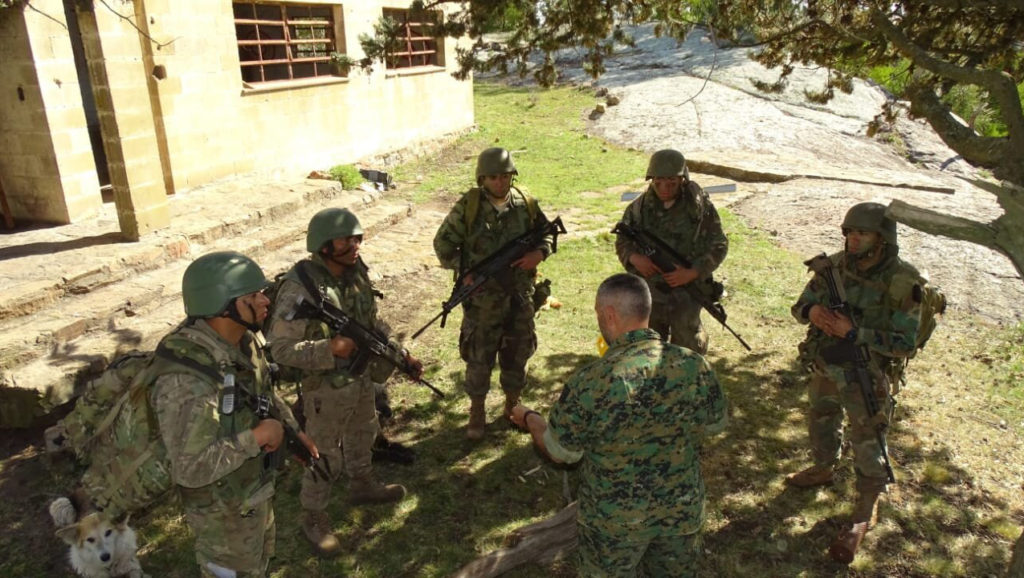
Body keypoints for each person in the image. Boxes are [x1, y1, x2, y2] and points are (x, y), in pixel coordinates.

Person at [510, 273, 728, 577]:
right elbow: (714, 425)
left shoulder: (590, 382)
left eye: (599, 315)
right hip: (681, 515)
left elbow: (560, 452)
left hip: (612, 526)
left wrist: (530, 418)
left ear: (609, 315)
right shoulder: (695, 365)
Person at [151, 251, 316, 578]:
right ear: (222, 305)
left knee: (258, 565)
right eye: (253, 296)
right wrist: (256, 438)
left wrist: (293, 431)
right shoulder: (186, 380)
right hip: (221, 515)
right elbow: (188, 467)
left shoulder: (244, 342)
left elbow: (264, 395)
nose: (265, 301)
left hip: (250, 494)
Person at [266, 207, 419, 558]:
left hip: (360, 377)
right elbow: (280, 349)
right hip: (324, 389)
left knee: (364, 431)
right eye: (346, 239)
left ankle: (362, 484)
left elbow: (371, 324)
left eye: (358, 237)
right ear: (322, 246)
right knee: (324, 453)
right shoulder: (299, 288)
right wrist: (328, 349)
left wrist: (402, 355)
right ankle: (313, 515)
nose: (355, 245)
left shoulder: (355, 272)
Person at [789, 202, 923, 563]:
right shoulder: (832, 267)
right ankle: (823, 467)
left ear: (883, 239)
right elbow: (800, 305)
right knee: (821, 416)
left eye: (862, 233)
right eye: (849, 232)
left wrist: (856, 332)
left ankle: (866, 505)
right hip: (826, 363)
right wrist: (812, 312)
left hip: (867, 372)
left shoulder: (902, 281)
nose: (853, 238)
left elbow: (905, 343)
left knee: (867, 437)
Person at [433, 147, 553, 440]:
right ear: (482, 179)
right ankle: (477, 410)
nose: (500, 183)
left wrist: (539, 253)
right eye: (493, 178)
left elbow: (548, 232)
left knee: (518, 351)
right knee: (479, 355)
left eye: (505, 176)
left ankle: (512, 405)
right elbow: (443, 245)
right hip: (483, 300)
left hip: (520, 295)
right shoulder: (469, 207)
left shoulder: (526, 203)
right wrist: (467, 273)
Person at [614, 149, 728, 354]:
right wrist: (634, 258)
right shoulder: (639, 208)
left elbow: (719, 244)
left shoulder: (699, 209)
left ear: (682, 180)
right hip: (650, 289)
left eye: (671, 183)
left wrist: (693, 272)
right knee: (646, 344)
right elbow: (622, 238)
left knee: (686, 346)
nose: (664, 189)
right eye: (658, 183)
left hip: (686, 289)